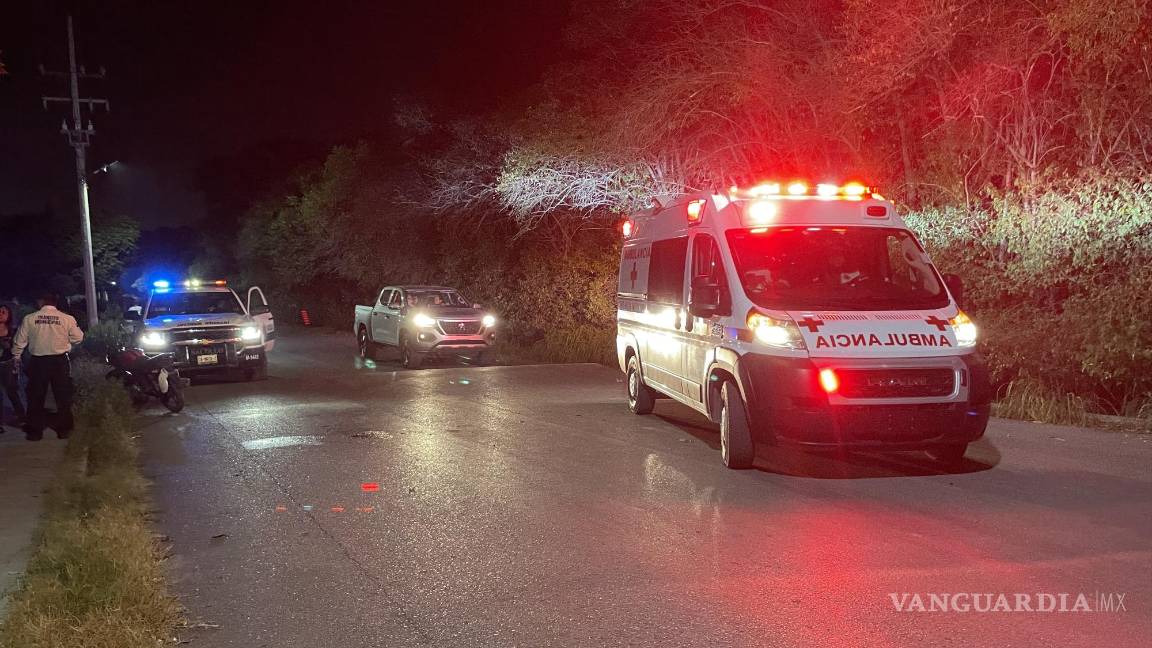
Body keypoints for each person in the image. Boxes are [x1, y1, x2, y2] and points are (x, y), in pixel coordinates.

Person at [12, 293, 84, 441]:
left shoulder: (30, 318)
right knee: (63, 395)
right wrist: (66, 344)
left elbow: (20, 340)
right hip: (59, 361)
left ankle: (35, 431)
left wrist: (16, 356)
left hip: (38, 361)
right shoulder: (66, 318)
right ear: (55, 302)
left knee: (36, 396)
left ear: (41, 301)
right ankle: (65, 430)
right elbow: (79, 337)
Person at [0, 304, 26, 430]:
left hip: (9, 364)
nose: (0, 314)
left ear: (8, 314)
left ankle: (22, 417)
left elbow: (19, 348)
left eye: (3, 312)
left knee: (12, 391)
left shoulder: (13, 330)